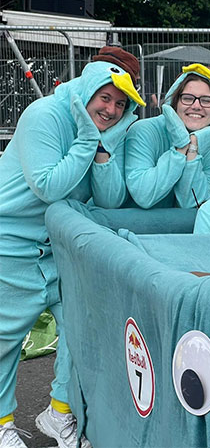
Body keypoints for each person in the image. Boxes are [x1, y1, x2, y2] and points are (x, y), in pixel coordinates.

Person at [0, 47, 144, 448]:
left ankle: (59, 413)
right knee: (5, 339)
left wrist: (101, 146)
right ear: (88, 88)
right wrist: (86, 138)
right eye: (105, 98)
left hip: (58, 249)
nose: (112, 109)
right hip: (9, 242)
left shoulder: (101, 132)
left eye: (120, 103)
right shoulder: (44, 115)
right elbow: (48, 185)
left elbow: (110, 198)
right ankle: (1, 422)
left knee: (83, 329)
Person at [125, 63, 210, 209]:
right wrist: (180, 149)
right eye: (188, 98)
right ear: (174, 102)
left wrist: (192, 149)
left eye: (206, 100)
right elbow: (144, 196)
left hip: (180, 229)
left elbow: (190, 204)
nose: (196, 106)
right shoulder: (144, 131)